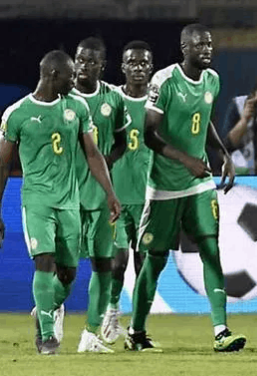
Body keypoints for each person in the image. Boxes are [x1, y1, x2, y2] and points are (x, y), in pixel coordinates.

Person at [125, 23, 246, 353]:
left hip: (199, 183)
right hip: (164, 186)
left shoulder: (212, 80)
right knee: (155, 260)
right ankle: (135, 332)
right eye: (200, 45)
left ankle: (221, 331)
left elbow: (203, 117)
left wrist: (223, 153)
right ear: (184, 48)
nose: (207, 49)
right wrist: (184, 160)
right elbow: (149, 133)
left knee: (210, 249)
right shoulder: (163, 82)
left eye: (210, 43)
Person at [0, 50, 121, 355]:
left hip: (70, 203)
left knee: (67, 274)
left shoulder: (77, 108)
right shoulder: (17, 113)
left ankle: (45, 306)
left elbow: (93, 154)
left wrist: (109, 192)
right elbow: (2, 165)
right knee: (44, 261)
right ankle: (44, 334)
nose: (74, 80)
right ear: (53, 75)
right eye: (69, 75)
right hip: (37, 201)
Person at [72, 37, 130, 353]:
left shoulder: (114, 100)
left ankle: (89, 335)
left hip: (100, 196)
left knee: (103, 265)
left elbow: (121, 142)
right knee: (60, 267)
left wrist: (105, 164)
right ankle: (50, 310)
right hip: (65, 195)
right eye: (80, 59)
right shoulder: (62, 98)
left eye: (91, 61)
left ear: (101, 65)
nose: (84, 66)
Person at [101, 40, 154, 345]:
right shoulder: (111, 99)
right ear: (122, 67)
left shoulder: (159, 103)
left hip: (150, 200)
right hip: (117, 198)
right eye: (132, 63)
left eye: (144, 63)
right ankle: (111, 311)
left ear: (151, 67)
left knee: (144, 265)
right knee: (118, 262)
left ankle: (138, 328)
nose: (138, 68)